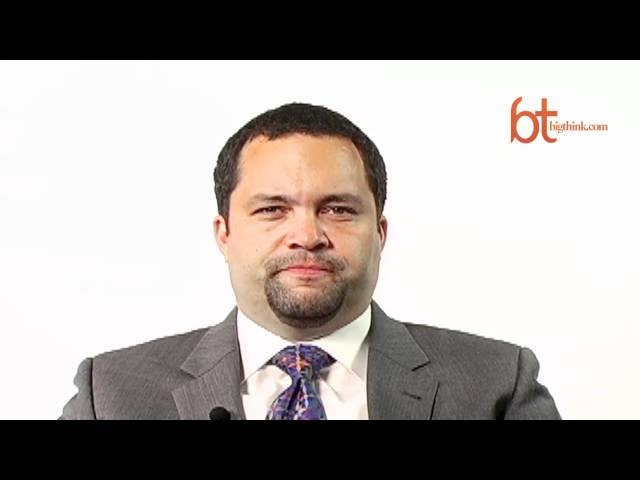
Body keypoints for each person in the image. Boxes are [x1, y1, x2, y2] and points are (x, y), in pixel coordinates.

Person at [61, 102, 561, 420]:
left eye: (338, 209)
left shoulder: (495, 386)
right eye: (272, 209)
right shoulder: (111, 396)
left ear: (380, 233)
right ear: (224, 233)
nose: (306, 236)